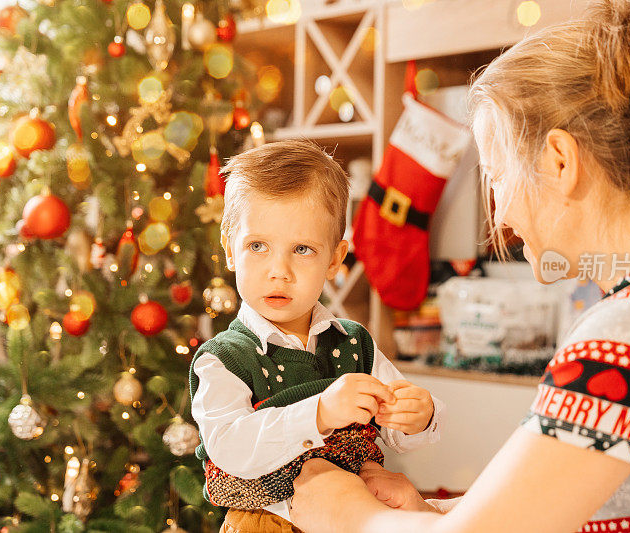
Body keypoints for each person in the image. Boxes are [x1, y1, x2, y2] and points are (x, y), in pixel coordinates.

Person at [288, 1, 630, 532]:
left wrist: (341, 509)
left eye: (497, 175)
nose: (503, 212)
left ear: (560, 161)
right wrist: (433, 512)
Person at [188, 140, 444, 533]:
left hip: (350, 517)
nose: (279, 270)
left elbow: (396, 430)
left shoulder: (355, 344)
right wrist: (320, 412)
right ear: (230, 250)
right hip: (263, 523)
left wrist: (418, 418)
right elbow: (229, 446)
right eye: (258, 246)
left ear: (335, 259)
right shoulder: (223, 359)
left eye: (302, 249)